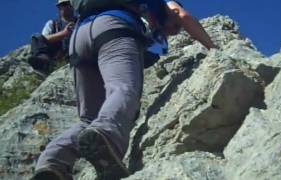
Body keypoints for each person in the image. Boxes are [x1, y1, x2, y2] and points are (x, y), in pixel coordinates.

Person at [32, 1, 217, 180]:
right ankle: (106, 135)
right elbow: (181, 14)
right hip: (113, 28)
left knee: (88, 118)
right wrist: (214, 49)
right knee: (124, 89)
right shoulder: (166, 4)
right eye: (176, 28)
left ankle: (51, 163)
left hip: (79, 38)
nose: (175, 31)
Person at [28, 0, 76, 73]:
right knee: (36, 37)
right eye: (63, 5)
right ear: (59, 8)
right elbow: (43, 39)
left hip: (76, 50)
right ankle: (44, 61)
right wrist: (64, 33)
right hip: (57, 53)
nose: (66, 7)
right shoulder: (53, 24)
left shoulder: (81, 20)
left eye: (68, 4)